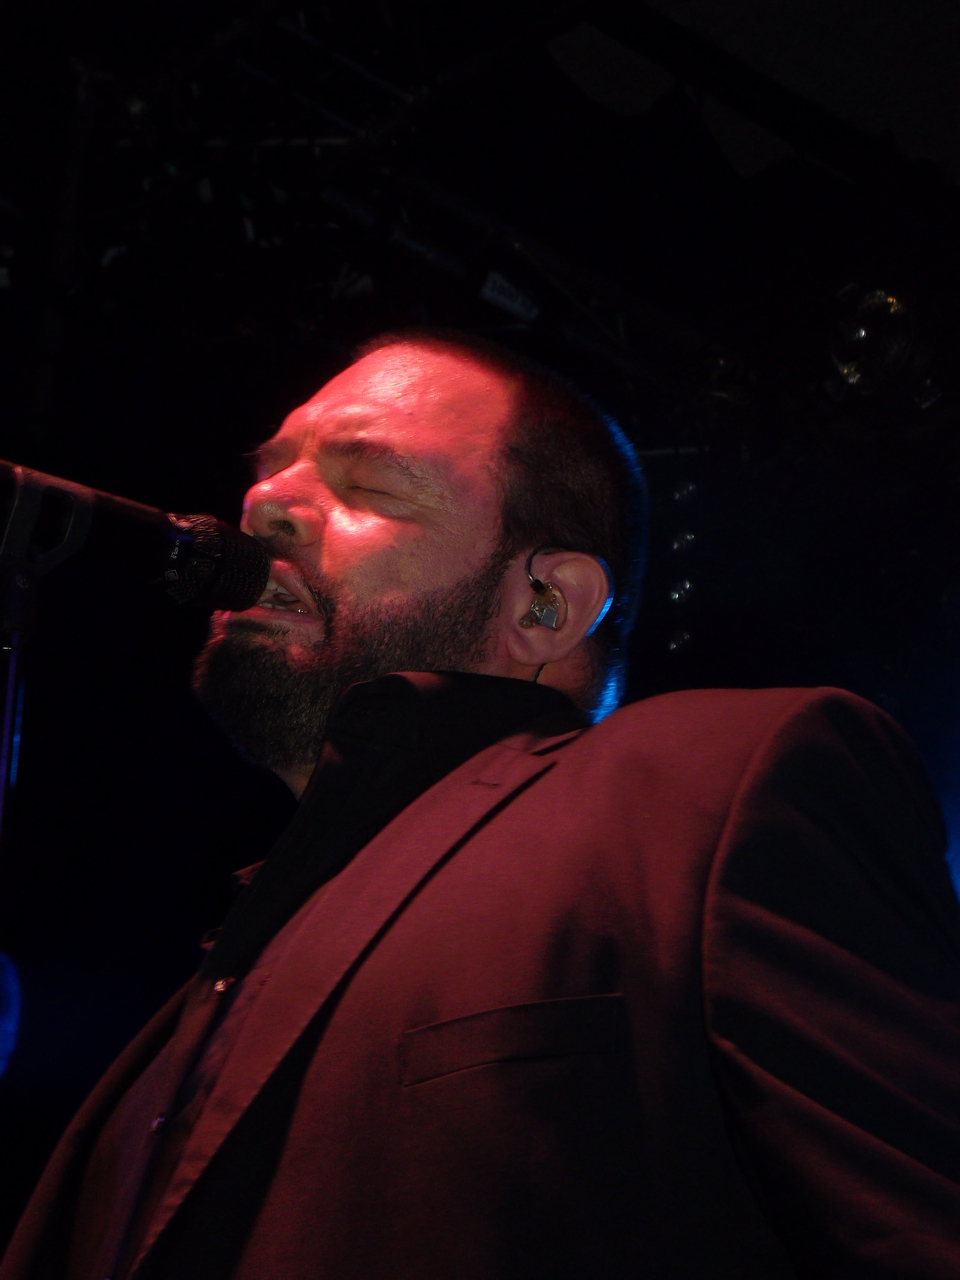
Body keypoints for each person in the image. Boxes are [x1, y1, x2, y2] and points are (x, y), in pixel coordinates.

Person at [2, 331, 960, 1280]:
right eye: (267, 475)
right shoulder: (202, 991)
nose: (262, 506)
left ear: (545, 605)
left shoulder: (712, 788)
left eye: (367, 485)